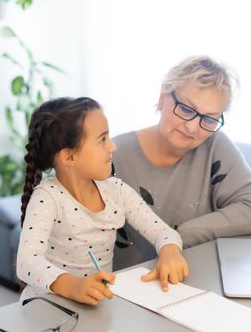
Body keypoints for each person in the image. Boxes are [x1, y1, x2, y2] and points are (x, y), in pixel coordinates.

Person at [16, 97, 189, 306]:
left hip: (95, 306)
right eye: (102, 139)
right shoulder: (47, 198)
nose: (112, 147)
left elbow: (163, 231)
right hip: (47, 306)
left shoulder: (117, 191)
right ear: (69, 157)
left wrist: (170, 250)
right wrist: (74, 286)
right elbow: (27, 262)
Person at [112, 56, 251, 270]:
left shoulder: (215, 145)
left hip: (190, 282)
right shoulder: (113, 155)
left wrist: (175, 237)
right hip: (121, 288)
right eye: (186, 109)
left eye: (208, 119)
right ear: (162, 98)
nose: (192, 127)